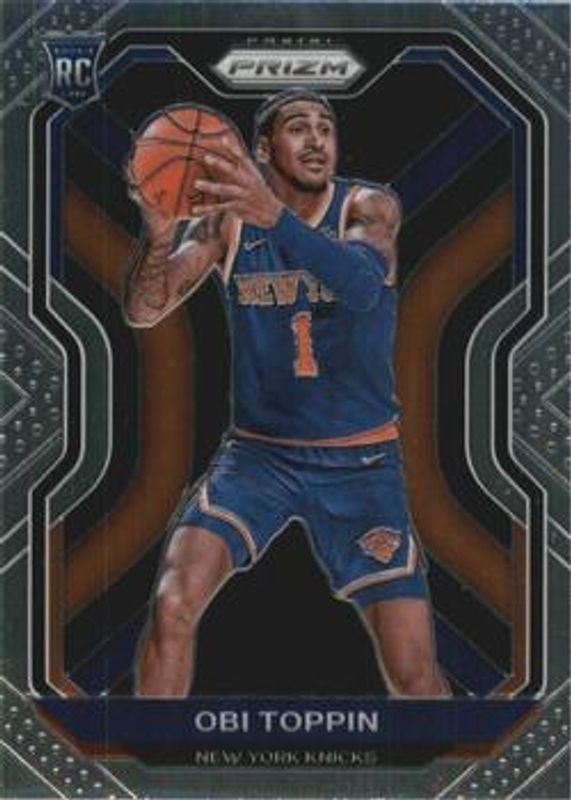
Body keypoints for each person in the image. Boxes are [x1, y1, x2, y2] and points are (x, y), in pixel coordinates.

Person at [124, 88, 449, 698]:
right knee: (171, 605)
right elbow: (144, 310)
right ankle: (148, 756)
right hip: (259, 457)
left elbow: (362, 287)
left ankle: (452, 761)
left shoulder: (367, 206)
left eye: (326, 127)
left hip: (360, 462)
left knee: (412, 671)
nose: (317, 139)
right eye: (299, 127)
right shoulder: (227, 224)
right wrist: (160, 234)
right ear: (262, 150)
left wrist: (275, 218)